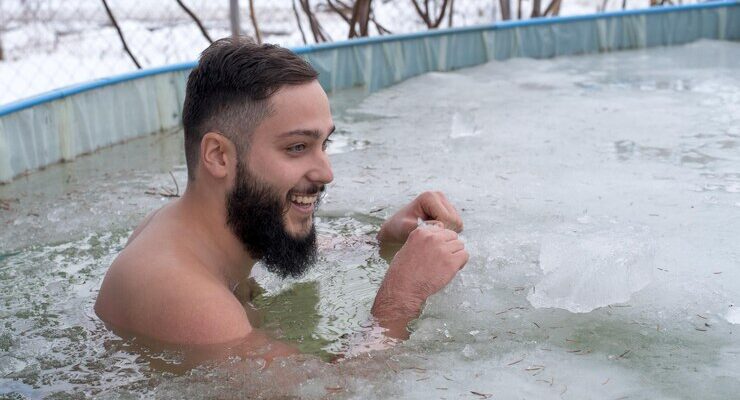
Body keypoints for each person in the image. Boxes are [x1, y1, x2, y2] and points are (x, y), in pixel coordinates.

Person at [94, 37, 468, 360]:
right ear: (219, 156)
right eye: (297, 147)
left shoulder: (189, 232)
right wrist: (400, 301)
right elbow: (334, 394)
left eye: (325, 143)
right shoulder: (190, 301)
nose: (326, 173)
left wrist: (378, 241)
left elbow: (270, 241)